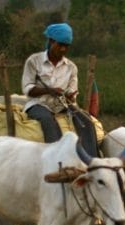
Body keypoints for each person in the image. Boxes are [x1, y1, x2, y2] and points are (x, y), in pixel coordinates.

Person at [21, 22, 98, 156]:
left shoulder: (71, 67)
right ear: (51, 41)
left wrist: (70, 95)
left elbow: (72, 91)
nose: (63, 49)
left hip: (63, 105)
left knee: (87, 122)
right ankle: (56, 158)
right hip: (39, 104)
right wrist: (49, 90)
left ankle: (91, 160)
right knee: (48, 120)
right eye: (60, 45)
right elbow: (27, 88)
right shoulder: (34, 61)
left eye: (66, 46)